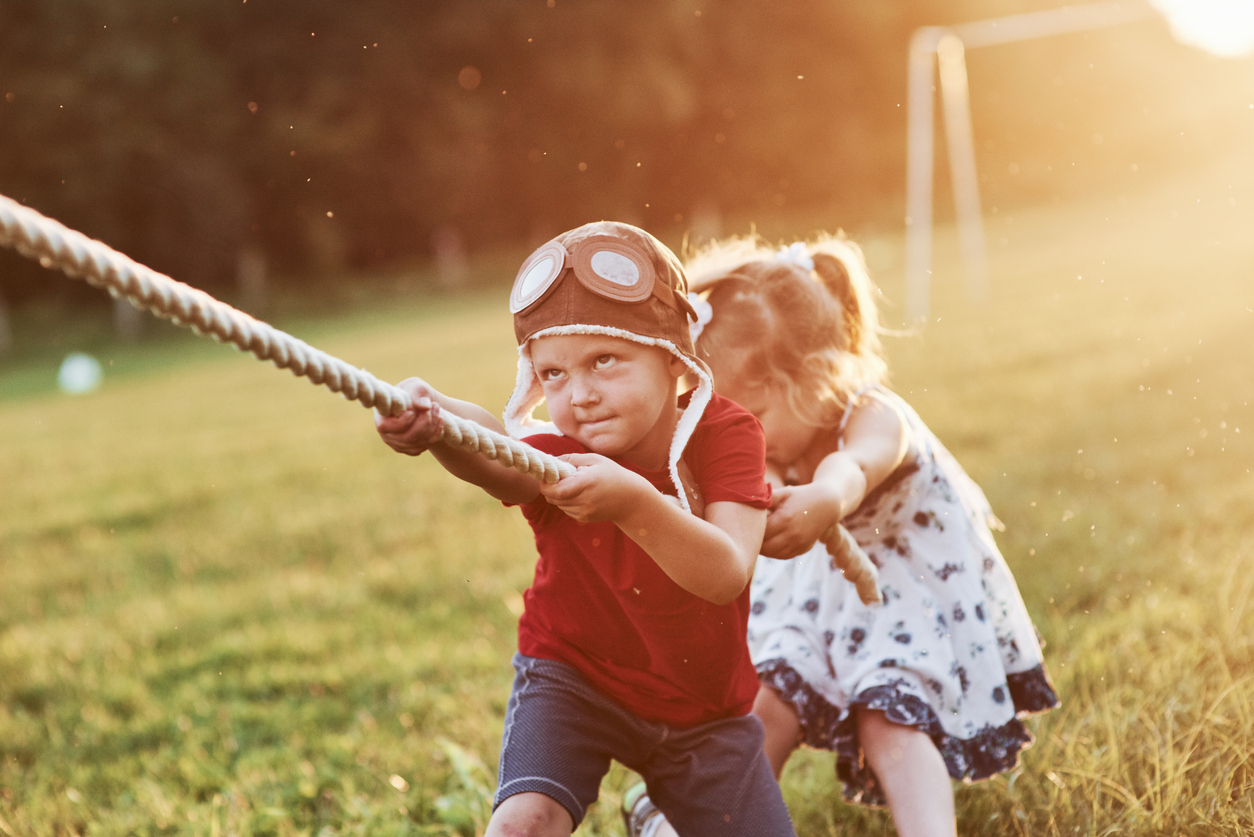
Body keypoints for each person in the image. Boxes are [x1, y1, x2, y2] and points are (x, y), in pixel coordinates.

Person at [625, 234, 1059, 837]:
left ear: (812, 379)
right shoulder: (775, 444)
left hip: (905, 598)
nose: (743, 440)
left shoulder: (877, 416)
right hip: (817, 595)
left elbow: (853, 469)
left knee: (889, 722)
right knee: (766, 705)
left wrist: (823, 500)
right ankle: (699, 822)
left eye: (751, 421)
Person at [374, 221, 797, 837]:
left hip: (704, 708)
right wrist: (437, 419)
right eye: (554, 374)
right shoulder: (555, 453)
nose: (581, 395)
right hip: (575, 677)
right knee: (524, 822)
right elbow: (494, 447)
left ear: (674, 361)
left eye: (604, 360)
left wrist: (636, 505)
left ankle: (656, 819)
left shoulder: (727, 435)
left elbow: (726, 572)